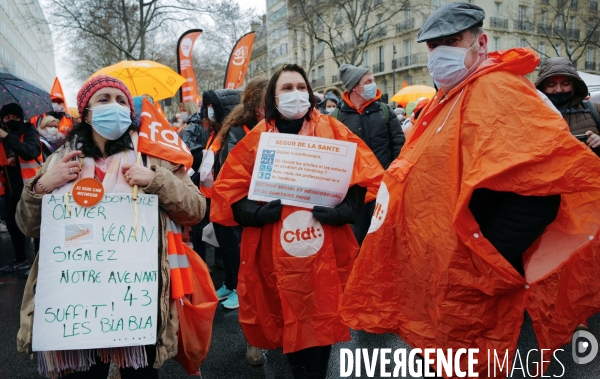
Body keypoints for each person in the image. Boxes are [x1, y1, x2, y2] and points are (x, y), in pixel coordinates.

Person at [340, 3, 600, 376]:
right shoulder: (451, 96)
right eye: (433, 45)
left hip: (474, 268)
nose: (440, 51)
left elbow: (538, 192)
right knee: (449, 353)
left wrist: (486, 261)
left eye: (452, 40)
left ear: (480, 41)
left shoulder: (499, 92)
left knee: (474, 356)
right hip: (448, 266)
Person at [15, 75, 205, 378]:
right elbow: (27, 225)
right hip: (76, 303)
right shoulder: (60, 160)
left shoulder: (152, 157)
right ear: (86, 113)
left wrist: (155, 180)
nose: (114, 107)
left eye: (121, 101)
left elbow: (196, 210)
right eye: (103, 100)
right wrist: (41, 188)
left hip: (137, 300)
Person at [211, 64, 383, 379]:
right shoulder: (257, 139)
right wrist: (257, 213)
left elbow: (363, 176)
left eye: (301, 87)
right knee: (285, 312)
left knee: (320, 314)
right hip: (275, 252)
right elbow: (230, 192)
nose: (296, 94)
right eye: (287, 89)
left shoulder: (332, 128)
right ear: (273, 98)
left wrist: (343, 212)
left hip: (324, 247)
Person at [212, 77, 269, 366]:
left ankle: (282, 335)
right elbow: (230, 178)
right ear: (256, 106)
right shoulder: (237, 132)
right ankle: (253, 341)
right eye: (267, 101)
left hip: (285, 220)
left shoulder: (289, 128)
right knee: (252, 284)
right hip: (253, 220)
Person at [333, 64, 405, 245]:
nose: (374, 84)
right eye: (369, 81)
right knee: (357, 242)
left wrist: (392, 178)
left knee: (384, 239)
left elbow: (399, 147)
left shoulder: (384, 111)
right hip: (353, 195)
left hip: (383, 190)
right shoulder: (336, 117)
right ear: (355, 87)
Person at [200, 89, 241, 291]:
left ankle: (237, 287)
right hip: (212, 197)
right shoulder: (215, 134)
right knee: (222, 246)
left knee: (231, 246)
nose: (208, 111)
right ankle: (229, 282)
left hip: (224, 198)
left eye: (212, 106)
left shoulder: (230, 134)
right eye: (206, 106)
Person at [0, 103, 42, 273]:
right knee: (12, 225)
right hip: (9, 190)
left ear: (21, 118)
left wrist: (7, 137)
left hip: (31, 189)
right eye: (7, 118)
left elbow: (30, 151)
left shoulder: (29, 132)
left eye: (14, 117)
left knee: (36, 226)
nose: (11, 120)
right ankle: (21, 260)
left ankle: (40, 263)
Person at [535, 57, 600, 155]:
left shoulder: (595, 110)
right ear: (542, 87)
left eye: (565, 84)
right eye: (551, 84)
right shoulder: (531, 115)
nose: (559, 90)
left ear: (574, 85)